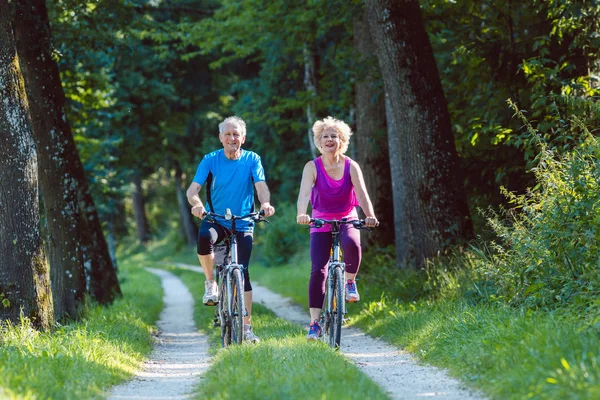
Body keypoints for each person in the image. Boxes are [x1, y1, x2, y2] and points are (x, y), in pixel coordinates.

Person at [187, 116, 275, 343]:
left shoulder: (252, 159)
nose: (232, 138)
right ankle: (210, 283)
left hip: (244, 221)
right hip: (216, 219)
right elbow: (193, 190)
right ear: (220, 137)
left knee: (243, 273)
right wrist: (197, 205)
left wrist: (265, 203)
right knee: (205, 236)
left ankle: (246, 328)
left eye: (236, 134)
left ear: (243, 138)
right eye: (228, 134)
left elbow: (261, 186)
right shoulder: (210, 160)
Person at [296, 116, 379, 341]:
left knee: (352, 244)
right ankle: (314, 323)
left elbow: (361, 194)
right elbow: (304, 193)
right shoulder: (311, 167)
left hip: (346, 217)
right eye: (325, 136)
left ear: (341, 140)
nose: (330, 139)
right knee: (318, 270)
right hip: (320, 220)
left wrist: (369, 215)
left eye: (334, 136)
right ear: (319, 142)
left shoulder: (351, 166)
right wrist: (302, 214)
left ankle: (350, 281)